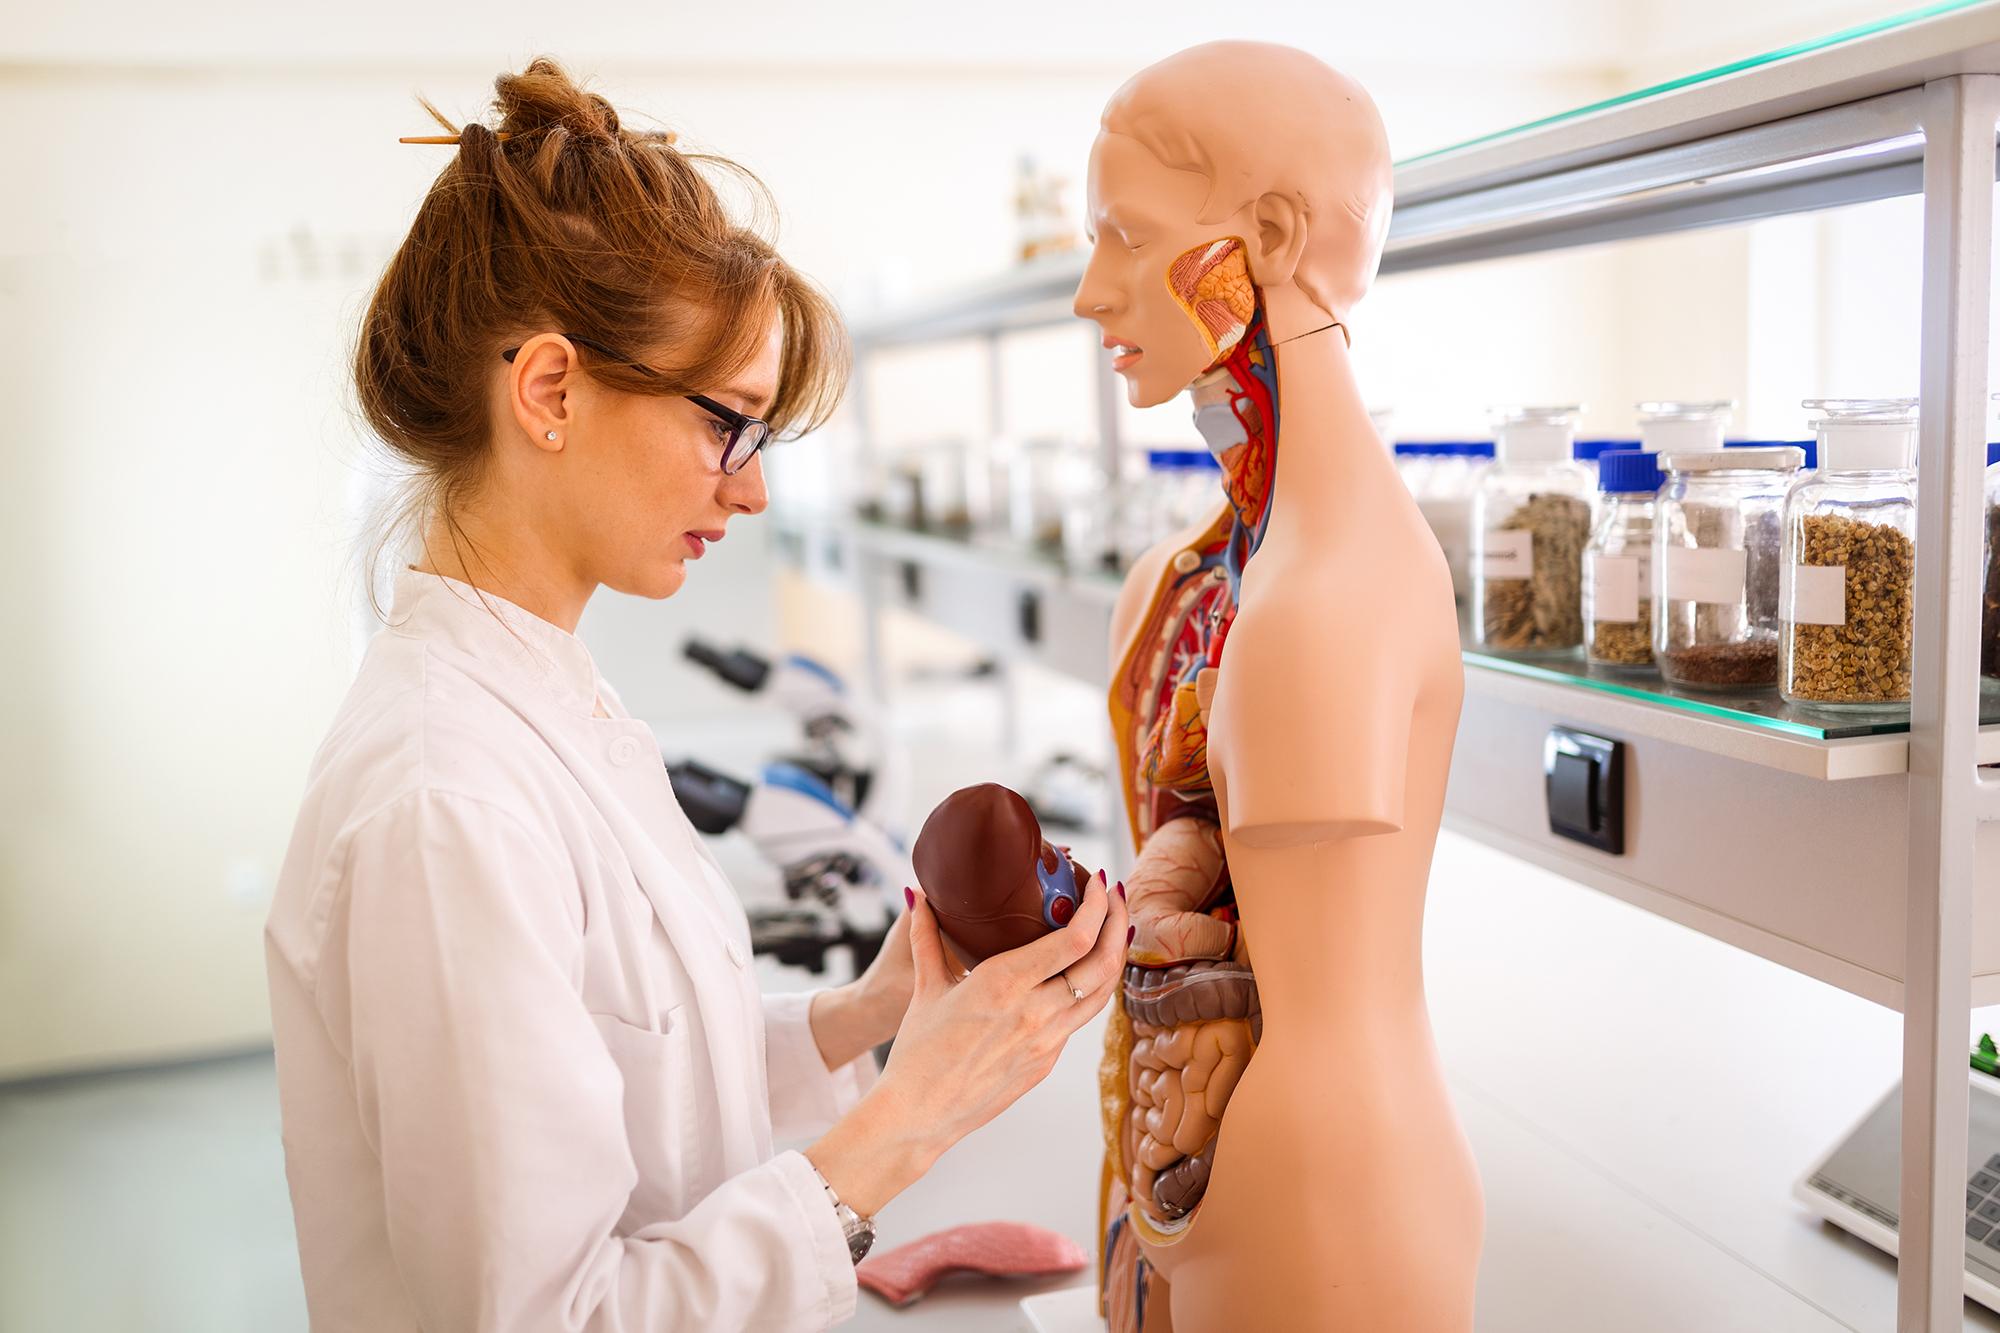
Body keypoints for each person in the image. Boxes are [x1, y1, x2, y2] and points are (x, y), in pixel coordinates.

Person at [263, 57, 1128, 1332]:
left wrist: (868, 1014)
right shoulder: (445, 801)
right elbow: (555, 1316)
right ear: (550, 392)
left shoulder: (548, 704)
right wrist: (916, 1113)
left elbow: (645, 1092)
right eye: (728, 423)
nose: (751, 488)